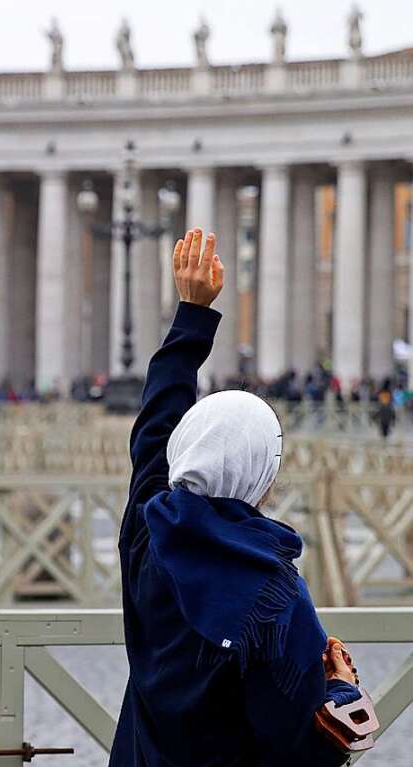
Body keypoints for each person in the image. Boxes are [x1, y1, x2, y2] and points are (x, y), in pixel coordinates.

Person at [110, 228, 367, 766]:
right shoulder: (273, 591)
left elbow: (153, 431)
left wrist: (191, 315)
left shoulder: (148, 533)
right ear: (261, 477)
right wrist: (342, 691)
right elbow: (304, 743)